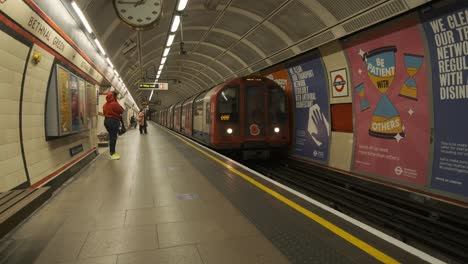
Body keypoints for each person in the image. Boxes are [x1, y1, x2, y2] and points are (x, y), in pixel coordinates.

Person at [103, 91, 124, 160]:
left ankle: (112, 153)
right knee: (113, 137)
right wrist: (116, 101)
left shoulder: (105, 105)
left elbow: (104, 112)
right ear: (114, 96)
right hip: (113, 121)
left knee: (112, 137)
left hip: (106, 121)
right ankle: (112, 154)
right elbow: (121, 110)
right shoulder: (114, 104)